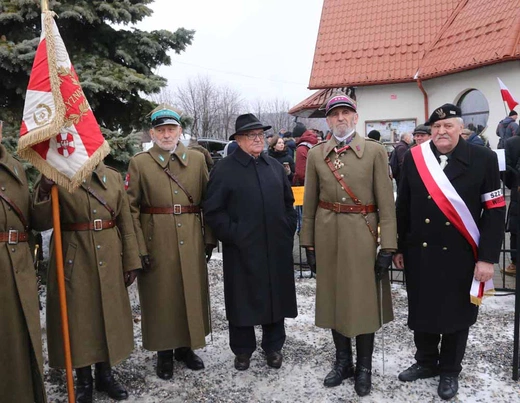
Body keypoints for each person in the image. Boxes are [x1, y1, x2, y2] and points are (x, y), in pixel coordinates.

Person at [394, 103, 505, 400]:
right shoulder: (416, 158)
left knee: (457, 314)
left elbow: (494, 211)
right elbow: (402, 206)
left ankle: (450, 370)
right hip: (421, 251)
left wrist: (487, 258)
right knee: (423, 308)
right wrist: (400, 246)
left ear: (461, 129)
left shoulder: (483, 158)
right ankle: (426, 362)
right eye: (437, 127)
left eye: (448, 126)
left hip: (461, 254)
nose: (442, 132)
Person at [300, 95, 397, 397]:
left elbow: (386, 202)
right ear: (327, 121)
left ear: (356, 117)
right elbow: (310, 202)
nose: (340, 118)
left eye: (346, 113)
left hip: (362, 233)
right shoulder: (317, 154)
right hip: (328, 234)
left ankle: (364, 367)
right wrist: (308, 243)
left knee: (363, 301)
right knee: (334, 298)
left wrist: (388, 246)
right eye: (334, 115)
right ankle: (343, 362)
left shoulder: (374, 151)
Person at [33, 163, 141, 402]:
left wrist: (131, 260)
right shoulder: (58, 176)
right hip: (74, 257)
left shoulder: (112, 178)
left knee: (107, 314)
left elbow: (126, 222)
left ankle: (106, 375)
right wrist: (43, 188)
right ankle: (83, 380)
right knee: (79, 319)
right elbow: (40, 222)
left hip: (111, 256)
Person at [126, 105, 216, 380]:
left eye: (171, 129)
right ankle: (164, 352)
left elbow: (208, 202)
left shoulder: (198, 160)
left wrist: (209, 239)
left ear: (180, 131)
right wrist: (138, 248)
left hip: (190, 236)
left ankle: (186, 348)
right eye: (161, 130)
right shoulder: (140, 163)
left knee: (190, 290)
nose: (166, 135)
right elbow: (130, 208)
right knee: (161, 296)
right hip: (156, 238)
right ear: (152, 133)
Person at [203, 113, 298, 371]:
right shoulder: (224, 169)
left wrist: (287, 229)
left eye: (260, 135)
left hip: (275, 247)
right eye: (251, 135)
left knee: (275, 297)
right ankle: (243, 350)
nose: (258, 139)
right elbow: (213, 210)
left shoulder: (275, 168)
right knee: (241, 299)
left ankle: (273, 347)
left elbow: (289, 204)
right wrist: (234, 234)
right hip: (242, 249)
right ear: (239, 139)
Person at [0, 125, 47, 403]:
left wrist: (44, 190)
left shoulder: (16, 167)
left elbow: (34, 221)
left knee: (20, 340)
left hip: (19, 266)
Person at [504, 125, 520, 276]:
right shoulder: (512, 142)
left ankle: (515, 263)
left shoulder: (511, 142)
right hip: (518, 192)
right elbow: (506, 168)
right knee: (515, 228)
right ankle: (515, 263)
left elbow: (507, 170)